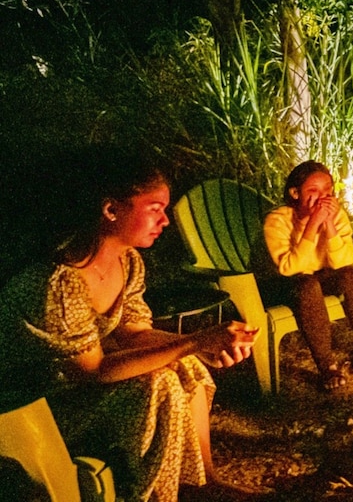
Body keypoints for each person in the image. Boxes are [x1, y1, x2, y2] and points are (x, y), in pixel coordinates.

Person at [0, 148, 261, 502]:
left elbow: (133, 333)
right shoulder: (57, 282)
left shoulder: (128, 262)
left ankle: (203, 483)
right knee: (159, 383)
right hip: (31, 407)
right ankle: (157, 495)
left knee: (182, 364)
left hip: (74, 392)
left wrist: (203, 347)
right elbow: (93, 370)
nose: (165, 221)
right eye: (155, 209)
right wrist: (193, 341)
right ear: (110, 210)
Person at [262, 161, 353, 391]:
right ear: (295, 193)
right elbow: (289, 268)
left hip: (318, 276)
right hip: (279, 284)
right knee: (307, 285)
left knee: (351, 275)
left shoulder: (335, 216)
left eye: (327, 191)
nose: (322, 198)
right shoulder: (278, 220)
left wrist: (328, 226)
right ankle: (327, 367)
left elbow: (342, 260)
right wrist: (312, 225)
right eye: (313, 191)